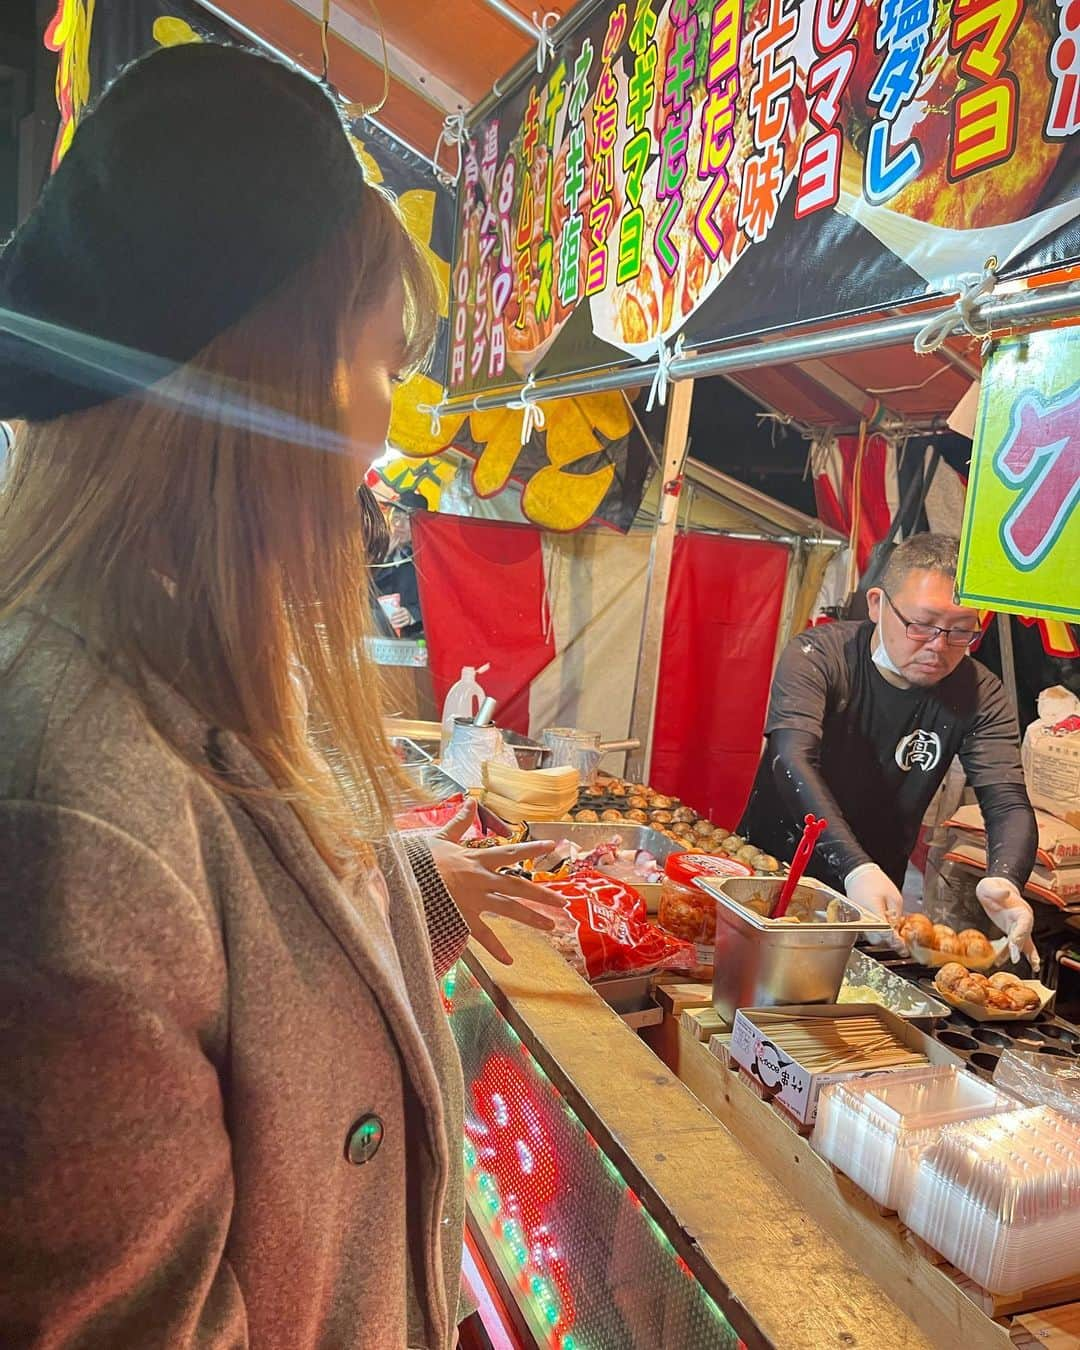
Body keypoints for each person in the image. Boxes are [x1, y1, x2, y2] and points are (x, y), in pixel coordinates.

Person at [0, 43, 560, 1348]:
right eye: (371, 369)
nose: (379, 437)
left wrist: (418, 897)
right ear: (255, 400)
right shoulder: (75, 813)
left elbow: (251, 978)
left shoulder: (185, 661)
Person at [740, 534, 1039, 963]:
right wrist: (853, 867)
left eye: (960, 631)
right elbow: (792, 757)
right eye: (922, 624)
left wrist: (1006, 878)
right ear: (878, 604)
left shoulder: (980, 692)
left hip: (877, 898)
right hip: (771, 870)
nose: (938, 646)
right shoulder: (819, 656)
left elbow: (1006, 798)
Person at [374, 488, 427, 637]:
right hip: (378, 635)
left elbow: (443, 599)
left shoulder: (429, 558)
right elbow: (362, 592)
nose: (399, 525)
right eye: (396, 517)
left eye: (408, 519)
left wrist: (413, 614)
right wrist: (382, 558)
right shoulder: (376, 554)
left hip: (416, 638)